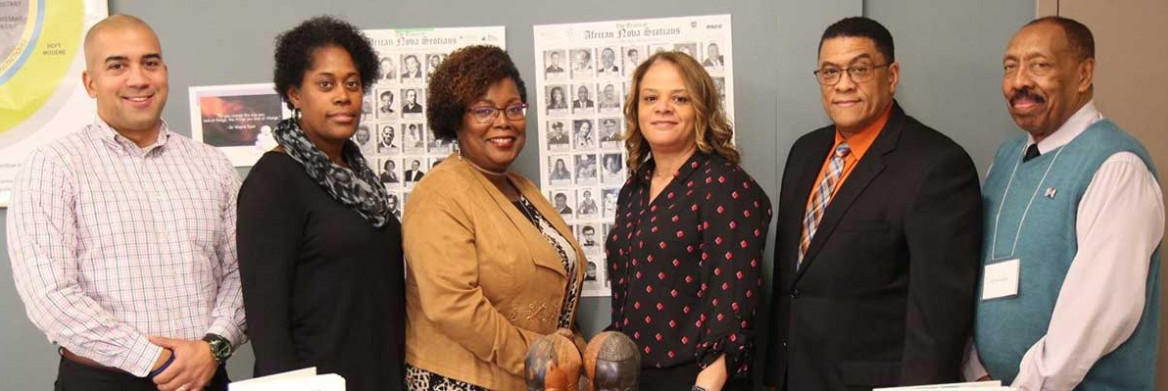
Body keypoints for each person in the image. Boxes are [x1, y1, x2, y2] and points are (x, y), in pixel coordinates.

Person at [8, 14, 245, 391]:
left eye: (150, 63)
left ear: (164, 71)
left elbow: (242, 271)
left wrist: (213, 347)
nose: (138, 78)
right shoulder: (53, 167)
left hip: (205, 377)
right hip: (102, 381)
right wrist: (156, 360)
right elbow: (50, 296)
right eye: (117, 65)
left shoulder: (213, 166)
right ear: (91, 82)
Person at [762, 17, 981, 390]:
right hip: (795, 378)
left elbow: (939, 318)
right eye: (830, 72)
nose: (843, 84)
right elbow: (792, 283)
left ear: (891, 76)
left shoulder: (937, 165)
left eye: (859, 69)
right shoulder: (805, 152)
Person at [966, 17, 1163, 390]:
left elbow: (1097, 315)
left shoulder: (1116, 166)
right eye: (1010, 67)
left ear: (1084, 74)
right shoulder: (1006, 159)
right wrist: (978, 374)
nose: (1020, 81)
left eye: (1039, 65)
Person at [403, 45, 587, 391]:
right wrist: (542, 357)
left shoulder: (522, 188)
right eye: (483, 110)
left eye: (514, 108)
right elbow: (452, 306)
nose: (503, 121)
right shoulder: (439, 194)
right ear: (455, 119)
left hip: (533, 378)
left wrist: (569, 353)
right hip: (463, 382)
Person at [237, 16, 405, 391]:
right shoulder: (275, 180)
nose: (343, 96)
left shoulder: (359, 176)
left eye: (352, 84)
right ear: (295, 93)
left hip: (377, 374)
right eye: (325, 84)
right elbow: (267, 322)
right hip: (317, 382)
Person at [606, 51, 772, 391]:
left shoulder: (725, 185)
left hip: (701, 379)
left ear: (701, 108)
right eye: (650, 98)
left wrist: (706, 385)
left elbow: (733, 302)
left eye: (679, 98)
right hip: (636, 378)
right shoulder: (634, 189)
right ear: (636, 110)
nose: (662, 107)